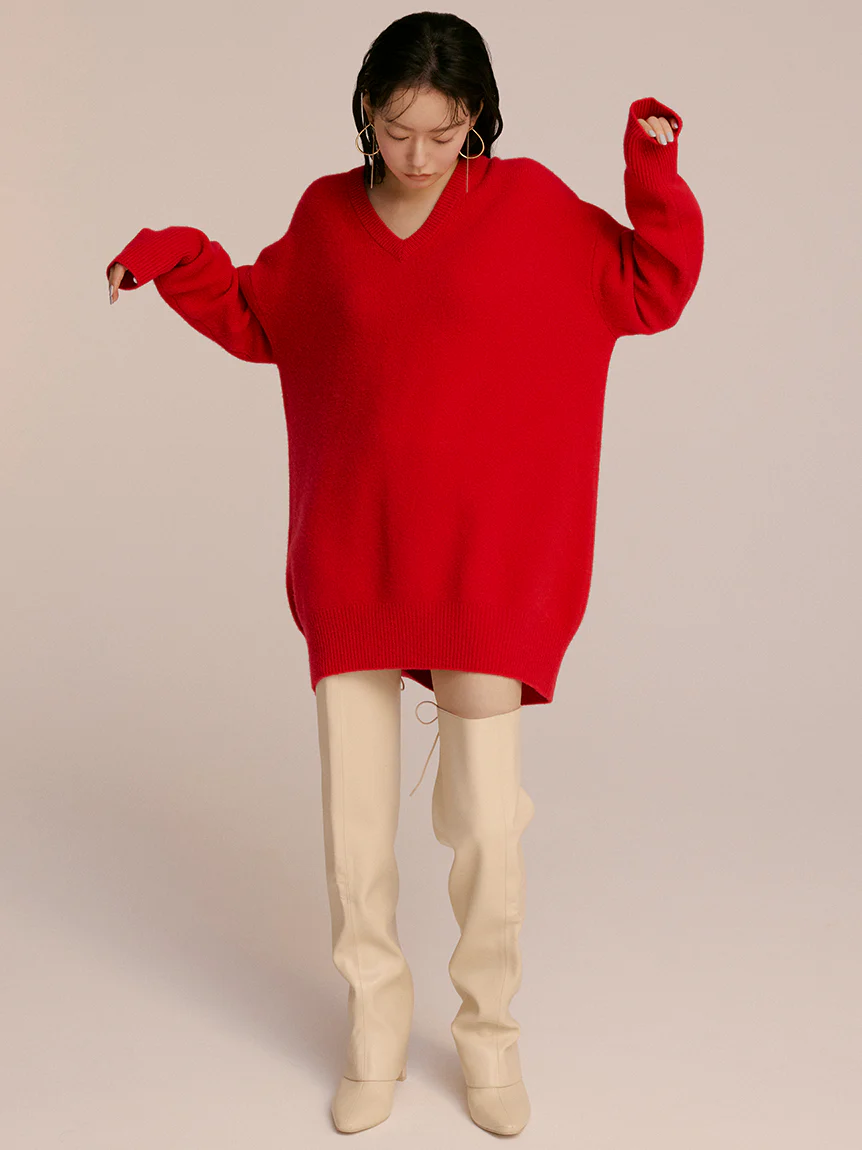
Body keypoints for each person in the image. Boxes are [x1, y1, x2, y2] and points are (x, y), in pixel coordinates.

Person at [105, 10, 703, 1138]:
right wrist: (168, 255)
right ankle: (374, 1026)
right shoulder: (327, 217)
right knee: (356, 821)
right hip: (355, 549)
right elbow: (259, 313)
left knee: (484, 822)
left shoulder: (529, 205)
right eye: (395, 129)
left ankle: (489, 1034)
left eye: (443, 130)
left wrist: (653, 170)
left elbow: (649, 286)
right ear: (365, 115)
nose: (418, 154)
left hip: (486, 563)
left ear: (477, 117)